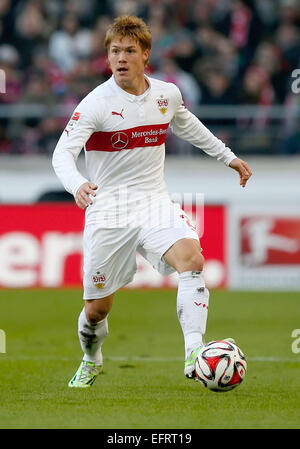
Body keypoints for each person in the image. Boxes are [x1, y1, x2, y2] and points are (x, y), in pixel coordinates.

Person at [52, 15, 252, 388]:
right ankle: (91, 359)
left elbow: (187, 124)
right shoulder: (96, 104)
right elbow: (62, 154)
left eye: (129, 50)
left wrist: (229, 157)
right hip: (108, 210)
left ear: (146, 54)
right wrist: (77, 184)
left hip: (153, 202)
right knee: (97, 311)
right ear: (107, 57)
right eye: (114, 51)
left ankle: (194, 350)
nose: (121, 58)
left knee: (192, 258)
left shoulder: (166, 94)